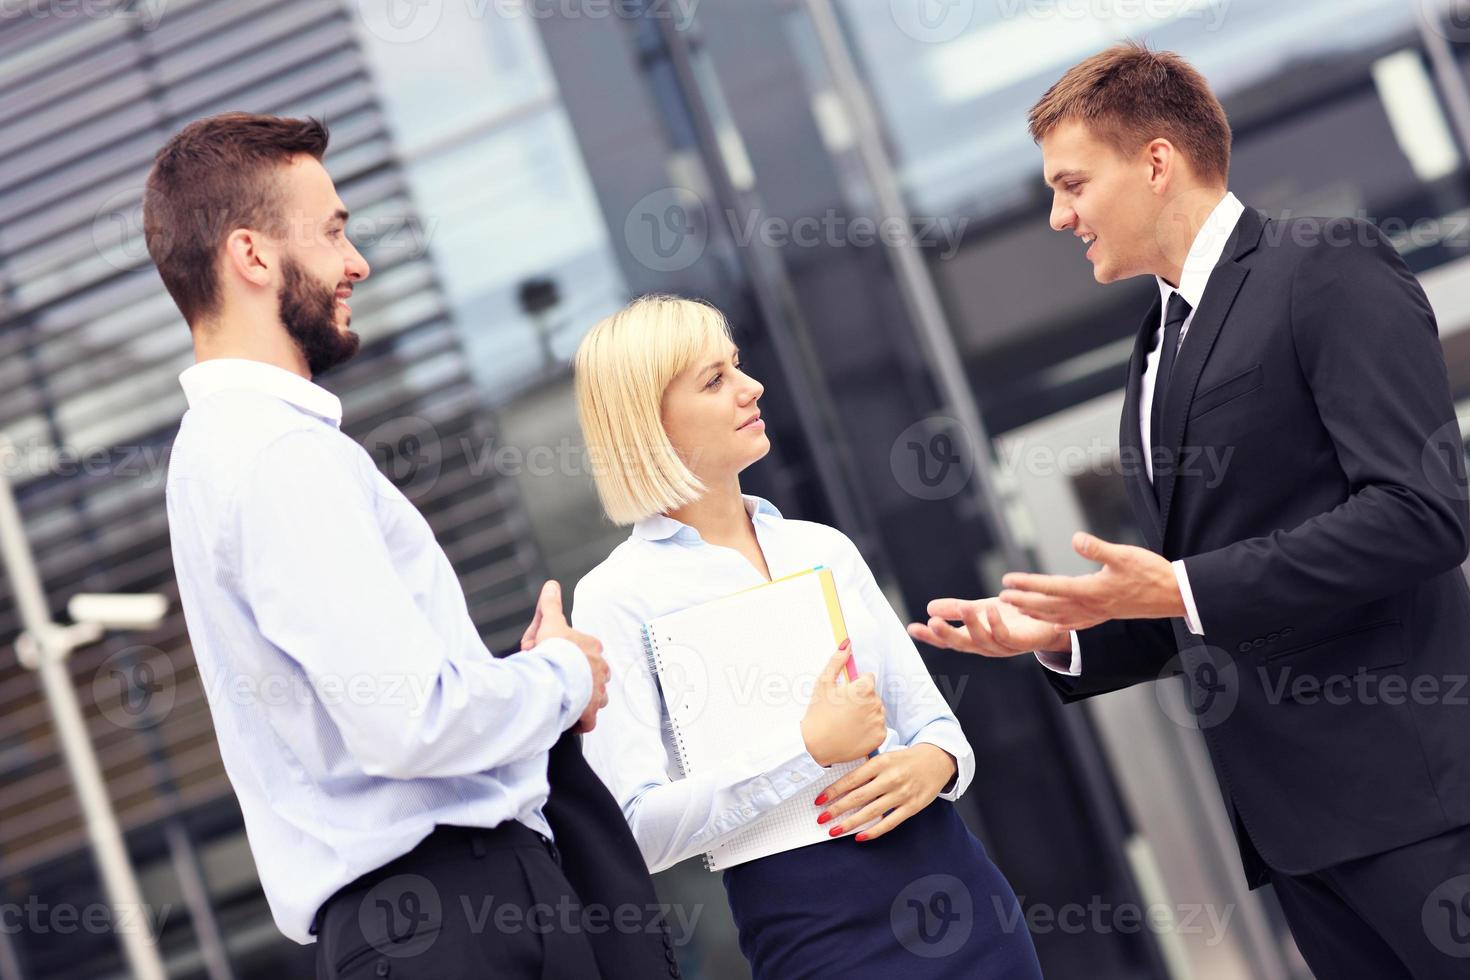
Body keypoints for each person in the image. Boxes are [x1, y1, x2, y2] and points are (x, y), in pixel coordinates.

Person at [911, 43, 1470, 978]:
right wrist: (1070, 631)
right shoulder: (1153, 348)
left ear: (1157, 162)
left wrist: (1178, 586)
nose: (1058, 215)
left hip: (1421, 806)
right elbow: (1210, 590)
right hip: (1299, 838)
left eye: (1073, 184)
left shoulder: (1324, 269)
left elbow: (1423, 514)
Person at [150, 112, 675, 979]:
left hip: (421, 924)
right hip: (456, 918)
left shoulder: (219, 452)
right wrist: (564, 675)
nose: (355, 263)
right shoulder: (280, 454)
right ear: (251, 257)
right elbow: (411, 722)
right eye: (331, 234)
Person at [569, 294, 1042, 979]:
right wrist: (808, 750)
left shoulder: (822, 549)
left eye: (736, 365)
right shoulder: (616, 597)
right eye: (714, 379)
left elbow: (937, 727)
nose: (750, 386)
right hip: (817, 936)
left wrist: (933, 763)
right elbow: (638, 831)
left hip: (959, 891)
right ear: (651, 424)